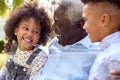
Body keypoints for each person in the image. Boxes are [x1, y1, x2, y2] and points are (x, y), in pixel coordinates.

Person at [34, 0, 99, 80]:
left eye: (58, 24)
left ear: (79, 26)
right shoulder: (55, 43)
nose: (53, 28)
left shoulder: (96, 54)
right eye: (54, 21)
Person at [0, 2, 51, 80]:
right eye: (26, 28)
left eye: (35, 31)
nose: (29, 34)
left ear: (39, 37)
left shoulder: (40, 57)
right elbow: (5, 70)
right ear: (16, 31)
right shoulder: (13, 47)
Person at [81, 0, 120, 80]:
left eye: (85, 20)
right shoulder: (108, 51)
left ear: (104, 20)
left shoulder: (112, 57)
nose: (84, 27)